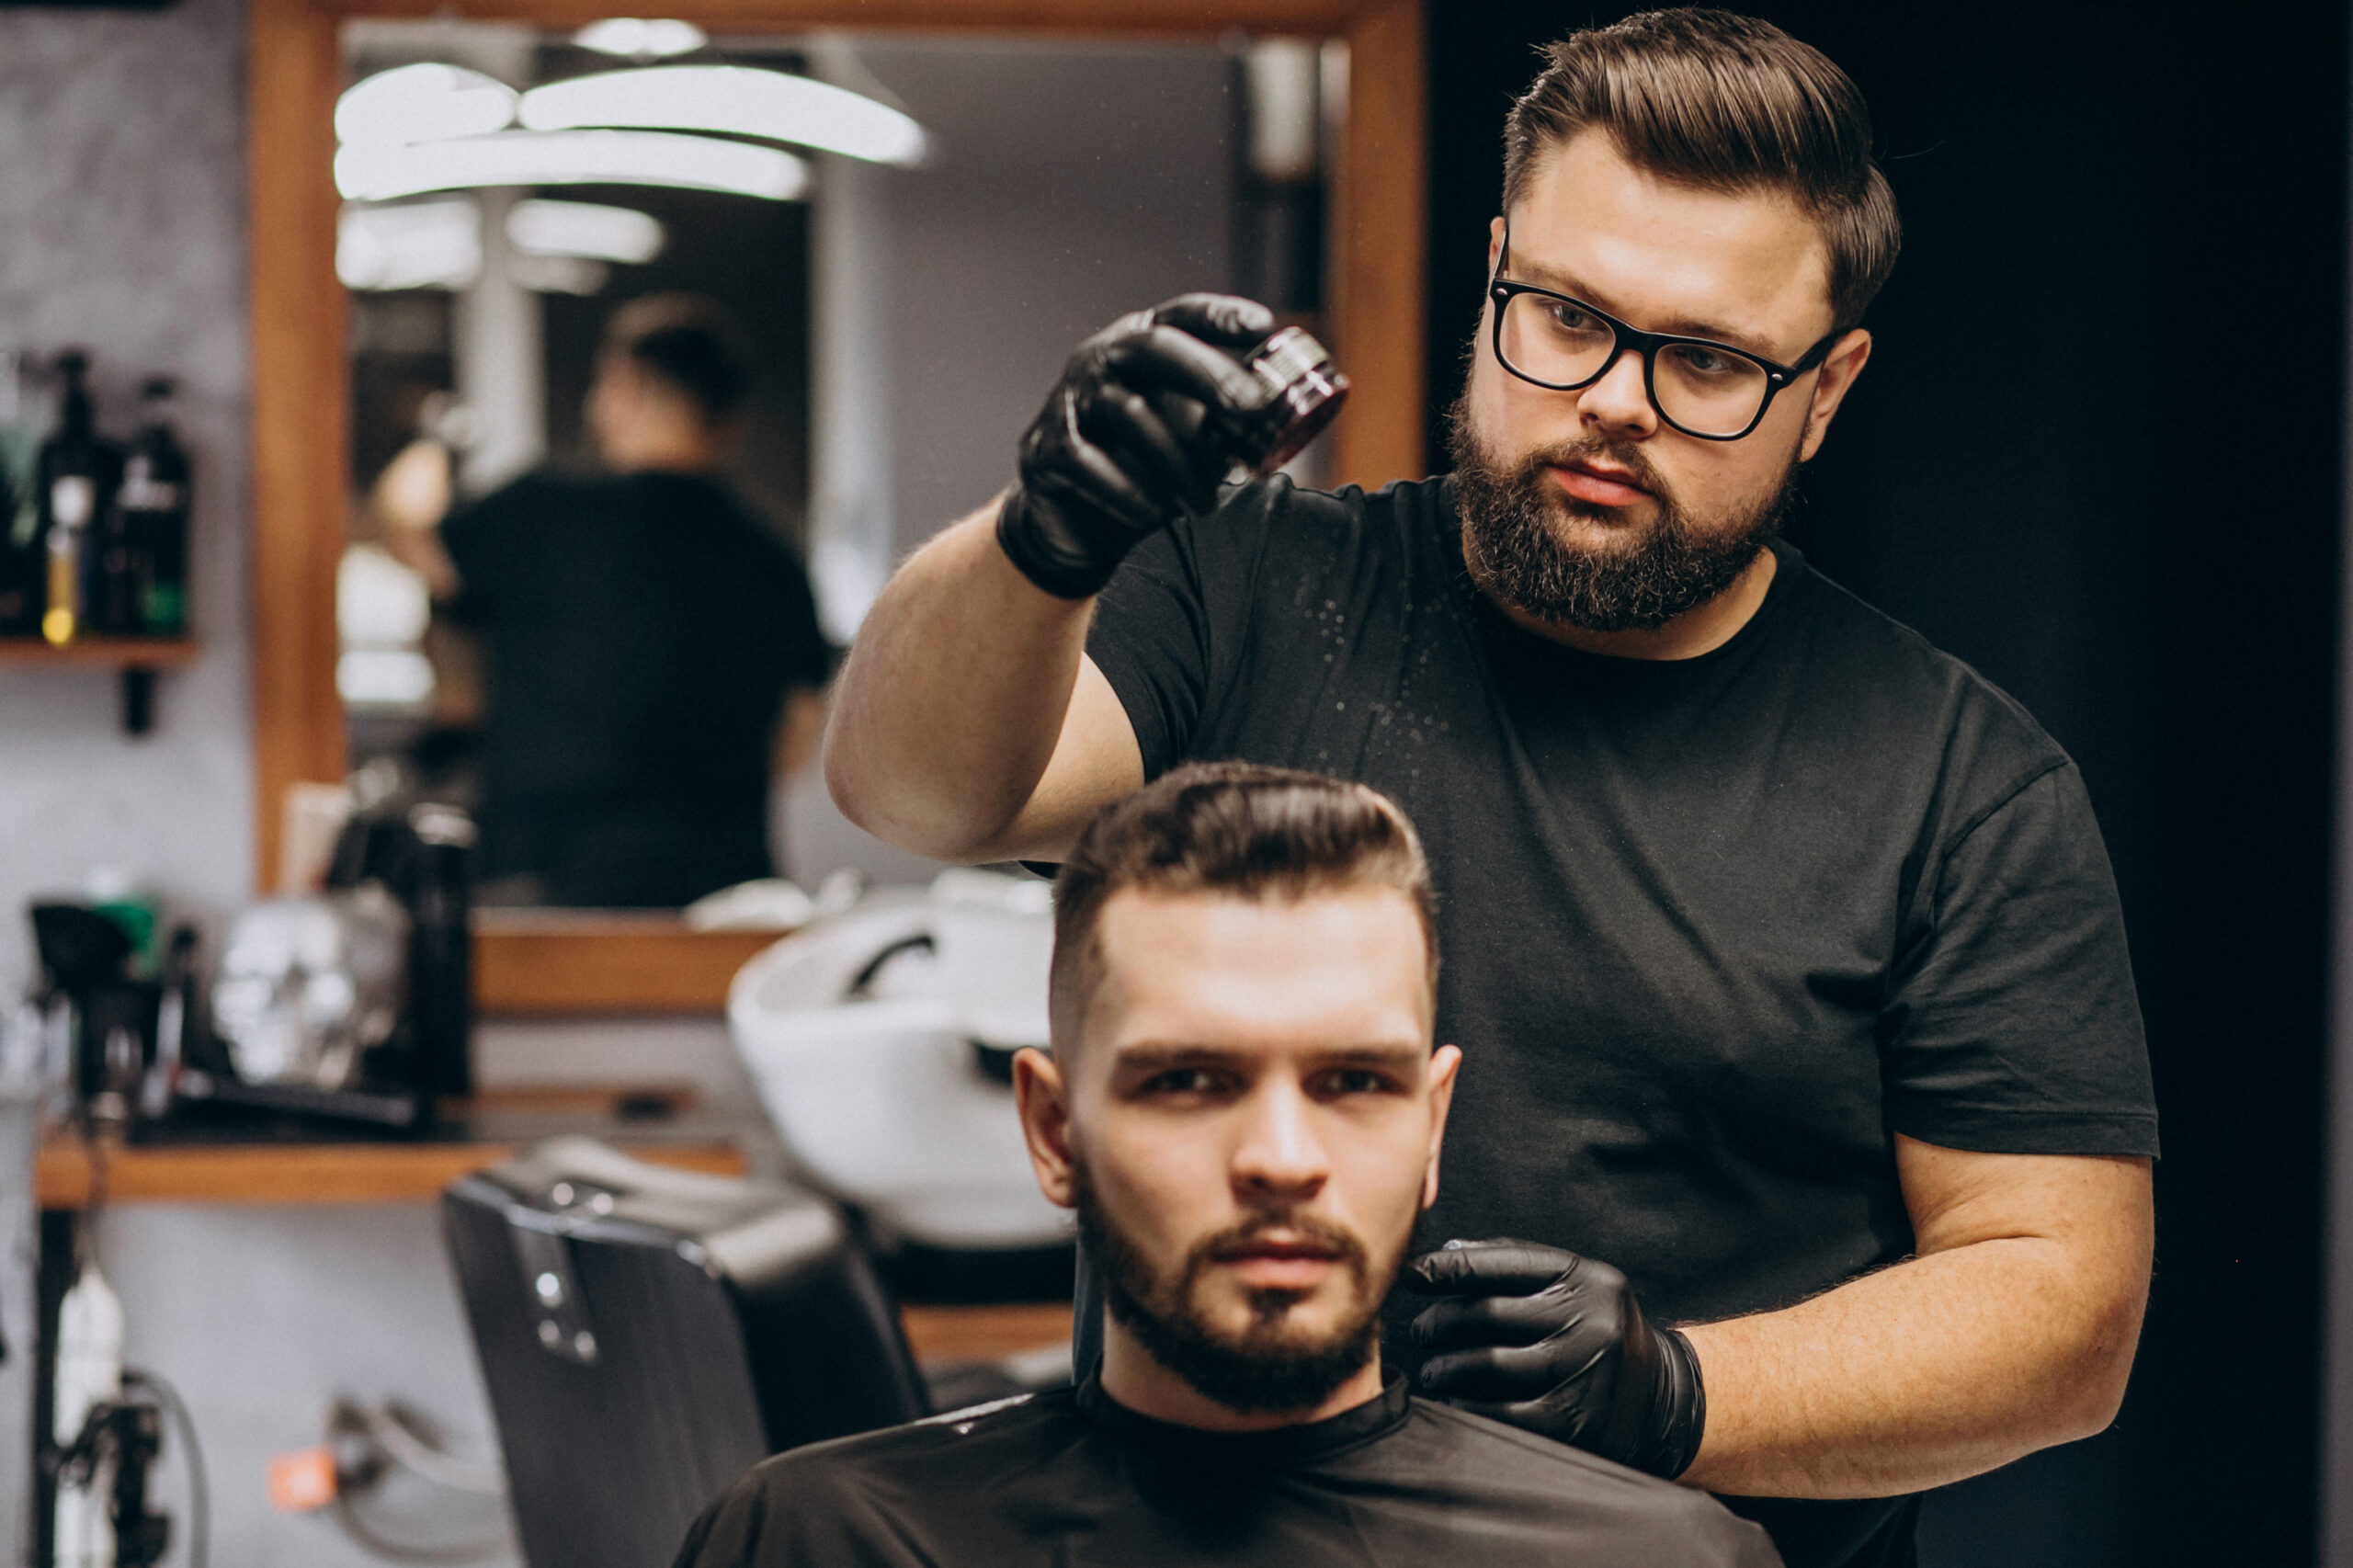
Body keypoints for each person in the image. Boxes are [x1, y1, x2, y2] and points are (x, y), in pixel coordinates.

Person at [821, 10, 2158, 1567]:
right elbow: (918, 791)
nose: (1615, 400)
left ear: (1828, 388)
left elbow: (2062, 1309)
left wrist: (1677, 1393)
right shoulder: (1242, 589)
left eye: (1709, 360)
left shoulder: (1959, 789)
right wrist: (1041, 539)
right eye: (1569, 319)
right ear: (1495, 272)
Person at [675, 764, 1781, 1568]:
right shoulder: (828, 1541)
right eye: (1190, 1082)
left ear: (1431, 1123)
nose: (1282, 1160)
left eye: (1355, 1082)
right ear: (1056, 1132)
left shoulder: (1659, 1560)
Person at [375, 293, 833, 906]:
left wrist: (432, 441)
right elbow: (794, 750)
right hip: (722, 905)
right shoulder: (778, 564)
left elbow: (406, 530)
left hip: (548, 896)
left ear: (626, 385)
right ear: (730, 415)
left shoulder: (540, 515)